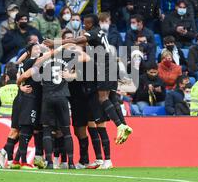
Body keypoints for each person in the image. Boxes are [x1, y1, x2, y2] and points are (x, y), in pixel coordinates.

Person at [44, 13, 133, 144]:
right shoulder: (101, 32)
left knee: (102, 97)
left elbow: (74, 41)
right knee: (112, 97)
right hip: (111, 66)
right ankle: (124, 125)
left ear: (91, 23)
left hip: (105, 67)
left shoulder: (93, 32)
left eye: (85, 23)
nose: (84, 25)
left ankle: (120, 126)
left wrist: (55, 42)